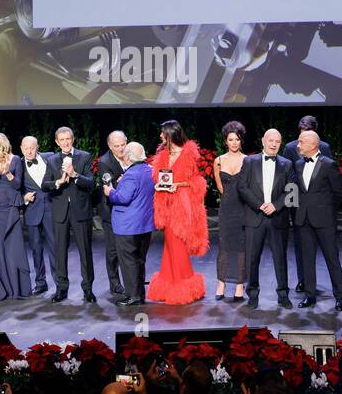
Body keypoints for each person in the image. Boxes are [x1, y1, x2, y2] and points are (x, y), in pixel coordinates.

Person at [146, 120, 207, 305]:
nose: (160, 137)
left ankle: (183, 284)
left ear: (171, 135)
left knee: (177, 244)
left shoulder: (188, 154)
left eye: (163, 133)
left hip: (182, 205)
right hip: (166, 205)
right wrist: (159, 184)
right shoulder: (163, 155)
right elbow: (159, 177)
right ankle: (169, 283)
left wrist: (177, 185)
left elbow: (198, 182)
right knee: (169, 246)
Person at [236, 128, 293, 310]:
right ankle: (253, 294)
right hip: (255, 217)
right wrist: (260, 204)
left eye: (278, 141)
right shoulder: (249, 161)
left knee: (280, 258)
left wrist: (276, 205)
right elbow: (242, 187)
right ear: (263, 141)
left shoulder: (287, 164)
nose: (274, 144)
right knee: (252, 258)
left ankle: (283, 294)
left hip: (278, 218)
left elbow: (292, 191)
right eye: (271, 141)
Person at [292, 130, 342, 311]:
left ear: (313, 145)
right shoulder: (299, 164)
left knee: (332, 258)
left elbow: (340, 192)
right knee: (307, 259)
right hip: (304, 220)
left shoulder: (328, 165)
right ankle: (310, 296)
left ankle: (339, 297)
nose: (297, 145)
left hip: (324, 221)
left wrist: (326, 210)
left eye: (301, 142)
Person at [43, 127, 97, 304]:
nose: (65, 142)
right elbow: (45, 185)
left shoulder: (84, 156)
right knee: (59, 252)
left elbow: (91, 184)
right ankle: (61, 289)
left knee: (85, 251)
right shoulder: (51, 160)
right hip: (60, 212)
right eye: (62, 140)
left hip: (80, 211)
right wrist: (57, 183)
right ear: (57, 142)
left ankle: (88, 290)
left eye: (68, 139)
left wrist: (75, 175)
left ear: (73, 139)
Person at [284, 115, 333, 292]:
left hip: (320, 207)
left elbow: (330, 176)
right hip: (299, 206)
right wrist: (291, 205)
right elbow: (287, 177)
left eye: (308, 131)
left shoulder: (325, 148)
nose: (303, 135)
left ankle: (325, 285)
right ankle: (302, 280)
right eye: (302, 131)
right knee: (301, 245)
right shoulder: (290, 148)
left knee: (324, 248)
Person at [103, 142, 154, 306]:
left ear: (129, 157)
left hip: (128, 226)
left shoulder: (131, 174)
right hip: (144, 225)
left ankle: (133, 296)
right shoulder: (149, 170)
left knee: (129, 262)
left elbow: (122, 198)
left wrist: (110, 191)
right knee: (139, 260)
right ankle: (139, 294)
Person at [0, 133, 32, 301]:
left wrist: (8, 173)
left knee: (13, 245)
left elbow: (18, 185)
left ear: (0, 145)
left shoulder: (16, 160)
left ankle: (16, 288)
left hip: (10, 205)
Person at [213, 120, 247, 302]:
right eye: (231, 139)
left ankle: (240, 286)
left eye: (237, 139)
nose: (234, 143)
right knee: (224, 247)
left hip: (243, 209)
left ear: (241, 141)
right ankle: (221, 283)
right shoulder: (218, 161)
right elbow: (220, 188)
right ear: (225, 141)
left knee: (241, 247)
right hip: (226, 209)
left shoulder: (248, 161)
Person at [95, 131, 131, 297]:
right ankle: (114, 283)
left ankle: (132, 279)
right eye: (117, 146)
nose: (121, 149)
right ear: (110, 146)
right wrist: (121, 181)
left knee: (129, 247)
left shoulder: (132, 155)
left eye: (123, 144)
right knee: (113, 250)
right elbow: (109, 187)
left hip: (129, 210)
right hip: (111, 211)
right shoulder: (104, 162)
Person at [18, 135, 55, 295]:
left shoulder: (50, 158)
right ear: (21, 148)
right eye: (26, 148)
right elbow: (15, 186)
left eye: (32, 147)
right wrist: (23, 198)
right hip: (31, 210)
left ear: (37, 147)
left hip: (50, 210)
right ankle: (40, 283)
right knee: (36, 249)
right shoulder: (18, 164)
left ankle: (60, 283)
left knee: (55, 248)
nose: (29, 151)